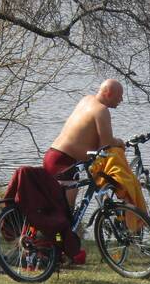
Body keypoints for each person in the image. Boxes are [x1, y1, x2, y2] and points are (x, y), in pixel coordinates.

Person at [43, 78, 126, 208]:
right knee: (66, 213)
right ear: (108, 94)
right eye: (119, 96)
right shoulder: (101, 110)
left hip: (53, 155)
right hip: (64, 162)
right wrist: (120, 142)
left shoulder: (87, 100)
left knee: (59, 210)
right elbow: (106, 144)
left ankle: (104, 203)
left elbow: (91, 139)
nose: (121, 100)